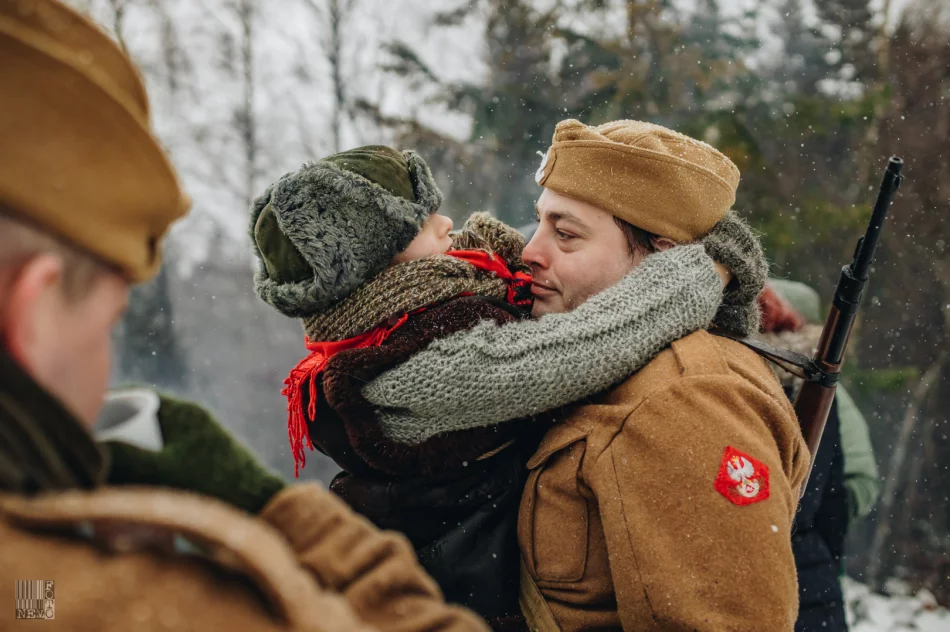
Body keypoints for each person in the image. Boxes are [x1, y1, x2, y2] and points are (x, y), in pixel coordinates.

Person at [0, 2, 486, 630]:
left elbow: (31, 603)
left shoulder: (35, 591)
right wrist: (266, 506)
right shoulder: (162, 609)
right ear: (34, 308)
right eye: (106, 321)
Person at [248, 146, 734, 624]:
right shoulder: (410, 369)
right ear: (379, 265)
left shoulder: (420, 303)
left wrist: (687, 213)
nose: (444, 225)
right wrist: (706, 270)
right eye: (418, 224)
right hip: (466, 607)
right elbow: (583, 347)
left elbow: (512, 272)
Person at [365, 119, 811, 630]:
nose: (531, 251)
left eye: (567, 234)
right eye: (541, 223)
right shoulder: (605, 368)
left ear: (660, 260)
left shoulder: (686, 398)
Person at [757, 280, 881, 632]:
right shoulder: (824, 391)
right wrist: (818, 541)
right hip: (809, 579)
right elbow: (859, 481)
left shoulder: (726, 373)